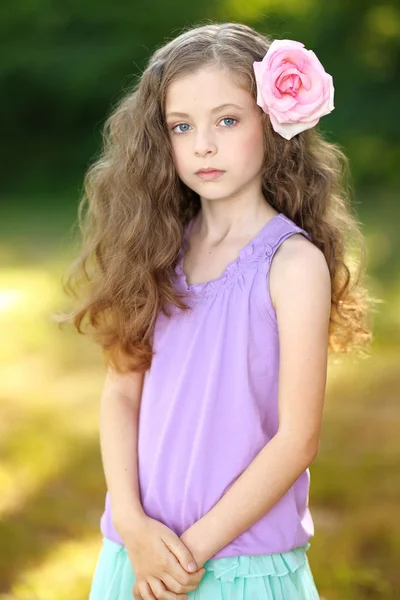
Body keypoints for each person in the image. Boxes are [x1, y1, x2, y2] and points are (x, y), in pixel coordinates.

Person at [58, 21, 374, 600]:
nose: (203, 144)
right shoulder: (153, 250)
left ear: (272, 125)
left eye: (227, 120)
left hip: (235, 567)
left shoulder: (292, 265)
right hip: (137, 553)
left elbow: (297, 439)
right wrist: (132, 526)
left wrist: (187, 555)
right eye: (182, 127)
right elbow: (121, 394)